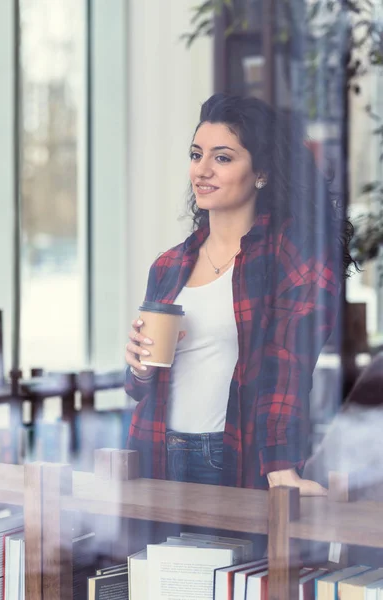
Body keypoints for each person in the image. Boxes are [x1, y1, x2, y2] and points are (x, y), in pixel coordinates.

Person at [124, 93, 356, 496]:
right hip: (155, 452)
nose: (202, 170)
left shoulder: (290, 258)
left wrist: (281, 467)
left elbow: (287, 367)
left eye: (223, 158)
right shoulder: (168, 265)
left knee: (229, 560)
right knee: (150, 561)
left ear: (261, 172)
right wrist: (139, 369)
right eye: (197, 155)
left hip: (229, 455)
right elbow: (143, 388)